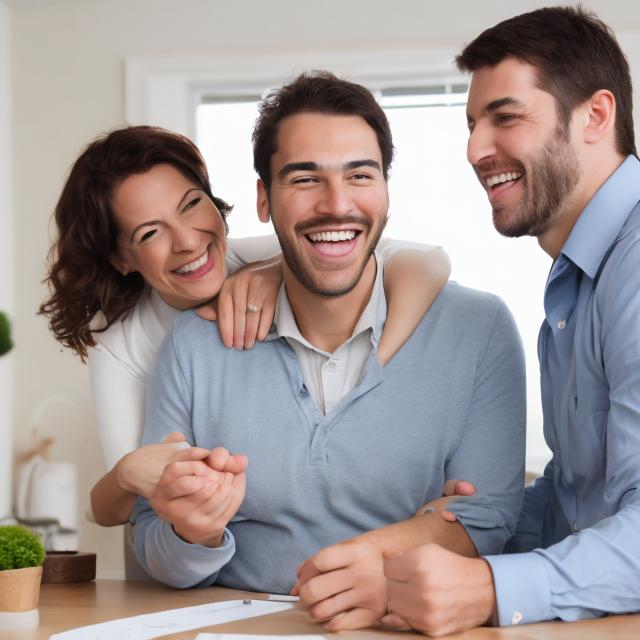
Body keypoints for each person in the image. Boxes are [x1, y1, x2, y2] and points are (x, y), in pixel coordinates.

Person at [131, 71, 526, 629]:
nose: (337, 204)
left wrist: (388, 555)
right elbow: (151, 540)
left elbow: (487, 517)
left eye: (360, 175)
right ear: (264, 200)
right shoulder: (195, 346)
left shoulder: (479, 329)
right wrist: (193, 529)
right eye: (305, 179)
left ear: (386, 189)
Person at [39, 125, 450, 532]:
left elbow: (428, 262)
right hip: (180, 551)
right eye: (150, 232)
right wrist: (130, 474)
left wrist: (278, 269)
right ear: (120, 258)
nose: (187, 241)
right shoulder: (121, 343)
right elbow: (119, 506)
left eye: (191, 204)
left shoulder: (268, 254)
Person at [381, 6, 640, 635]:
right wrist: (469, 526)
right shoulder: (578, 273)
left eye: (506, 117)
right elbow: (584, 498)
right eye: (472, 124)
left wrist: (486, 587)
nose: (474, 149)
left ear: (595, 116)